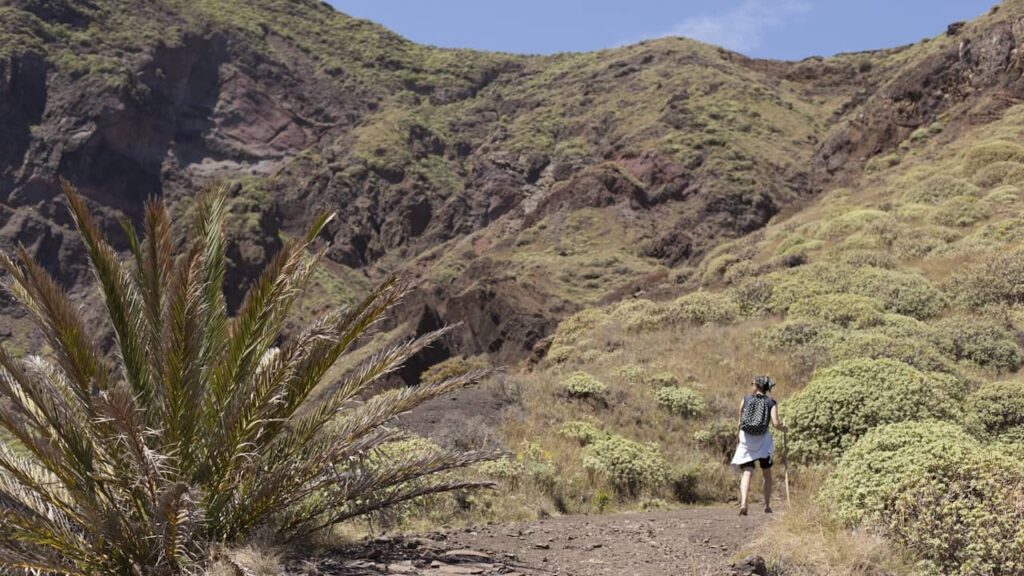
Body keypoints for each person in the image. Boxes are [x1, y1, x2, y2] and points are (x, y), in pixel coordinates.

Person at [731, 375, 787, 516]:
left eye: (753, 384)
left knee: (747, 472)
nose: (751, 386)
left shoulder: (746, 399)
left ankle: (744, 503)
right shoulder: (771, 402)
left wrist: (739, 440)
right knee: (766, 474)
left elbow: (739, 421)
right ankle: (767, 506)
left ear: (757, 386)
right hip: (763, 442)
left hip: (746, 440)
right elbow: (775, 423)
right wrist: (784, 428)